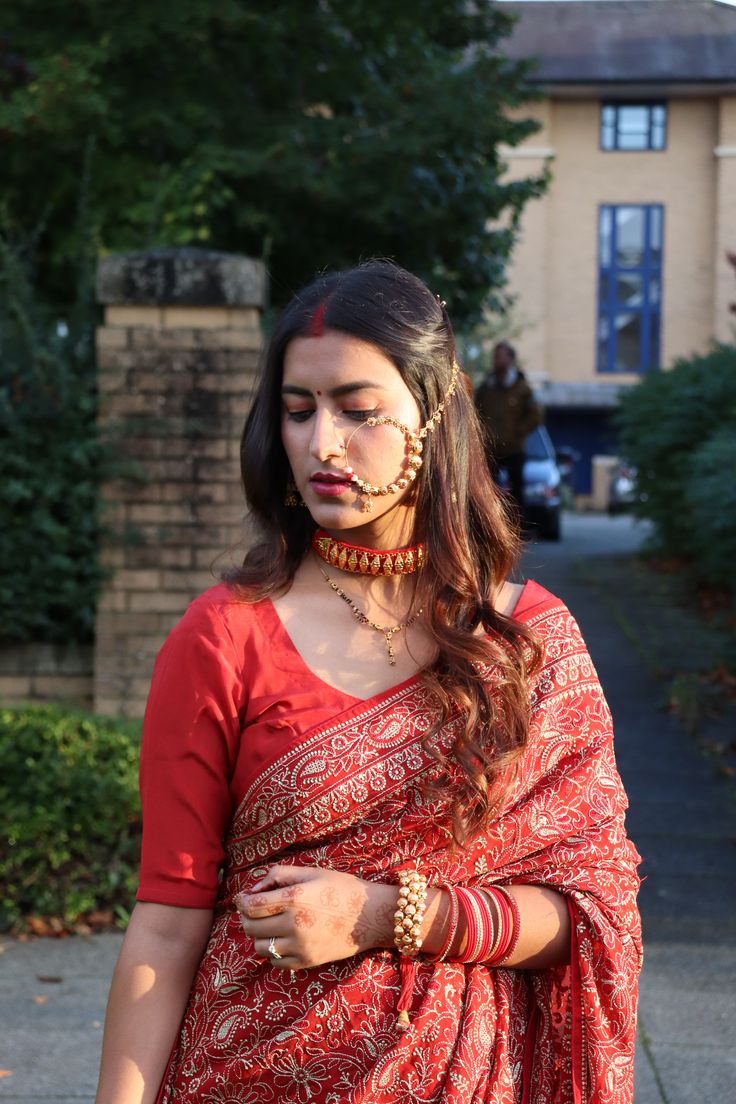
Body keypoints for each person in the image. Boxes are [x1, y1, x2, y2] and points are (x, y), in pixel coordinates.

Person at [95, 262, 641, 1104]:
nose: (323, 444)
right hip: (248, 1075)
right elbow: (166, 925)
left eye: (357, 410)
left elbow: (590, 915)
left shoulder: (528, 643)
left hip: (467, 1080)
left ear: (433, 411)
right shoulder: (224, 634)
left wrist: (385, 914)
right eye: (298, 410)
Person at [474, 342, 543, 521]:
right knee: (488, 491)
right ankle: (491, 526)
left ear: (511, 359)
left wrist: (520, 431)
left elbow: (536, 416)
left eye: (501, 356)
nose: (497, 360)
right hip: (490, 448)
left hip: (514, 448)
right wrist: (482, 433)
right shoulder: (486, 388)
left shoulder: (522, 388)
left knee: (517, 490)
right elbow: (474, 411)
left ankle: (519, 527)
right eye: (495, 356)